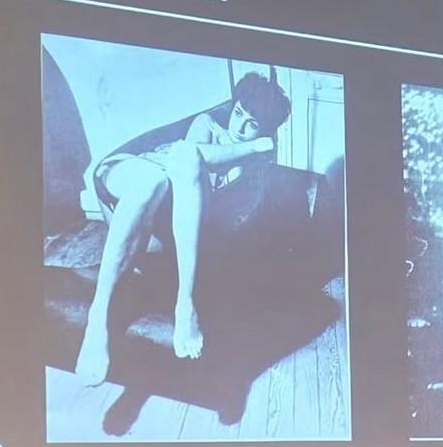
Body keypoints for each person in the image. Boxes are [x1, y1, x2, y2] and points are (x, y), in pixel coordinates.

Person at [74, 72, 291, 386]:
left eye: (252, 124)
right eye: (238, 113)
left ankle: (181, 304)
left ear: (268, 129)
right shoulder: (209, 125)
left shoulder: (254, 172)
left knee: (158, 182)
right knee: (157, 176)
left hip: (155, 215)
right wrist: (255, 145)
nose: (239, 126)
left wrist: (255, 153)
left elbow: (221, 221)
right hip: (128, 170)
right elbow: (192, 154)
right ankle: (102, 318)